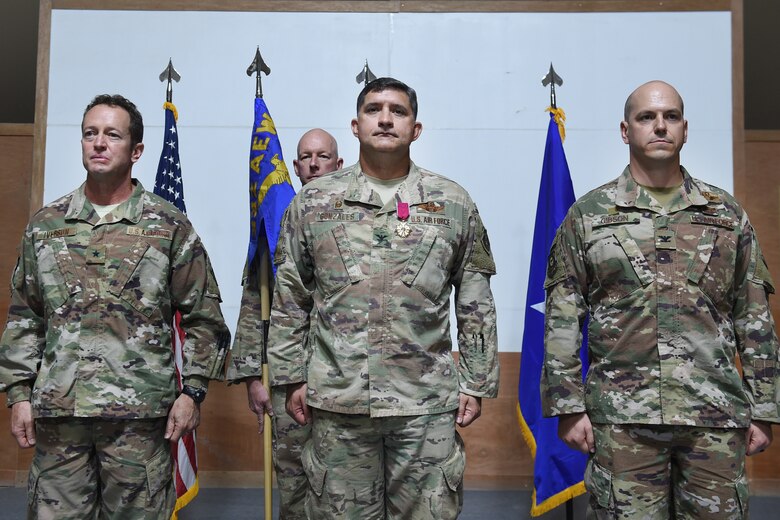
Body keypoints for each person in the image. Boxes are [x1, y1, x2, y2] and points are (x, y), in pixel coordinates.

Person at [542, 80, 779, 519]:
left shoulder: (725, 214)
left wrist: (764, 408)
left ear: (685, 130)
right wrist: (568, 406)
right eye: (646, 117)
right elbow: (562, 317)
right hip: (622, 420)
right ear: (625, 130)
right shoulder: (589, 216)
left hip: (714, 415)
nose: (660, 126)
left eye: (670, 117)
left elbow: (755, 316)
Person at [267, 77, 499, 519]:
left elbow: (475, 300)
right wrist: (289, 378)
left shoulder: (452, 203)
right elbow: (290, 297)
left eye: (399, 111)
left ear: (416, 128)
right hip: (339, 402)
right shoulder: (315, 202)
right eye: (374, 110)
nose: (386, 119)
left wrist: (475, 381)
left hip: (425, 406)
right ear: (356, 126)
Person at [0, 94, 230, 518]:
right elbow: (25, 317)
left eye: (112, 134)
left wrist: (193, 393)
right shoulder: (47, 225)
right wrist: (18, 394)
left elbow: (203, 318)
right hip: (60, 419)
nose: (99, 143)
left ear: (136, 150)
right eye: (90, 134)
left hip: (139, 422)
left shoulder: (167, 226)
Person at [228, 128, 342, 520]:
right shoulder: (277, 219)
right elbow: (254, 301)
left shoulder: (359, 220)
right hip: (287, 374)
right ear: (294, 166)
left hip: (344, 379)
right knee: (294, 483)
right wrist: (253, 377)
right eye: (306, 156)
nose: (314, 163)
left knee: (344, 489)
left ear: (338, 164)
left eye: (323, 156)